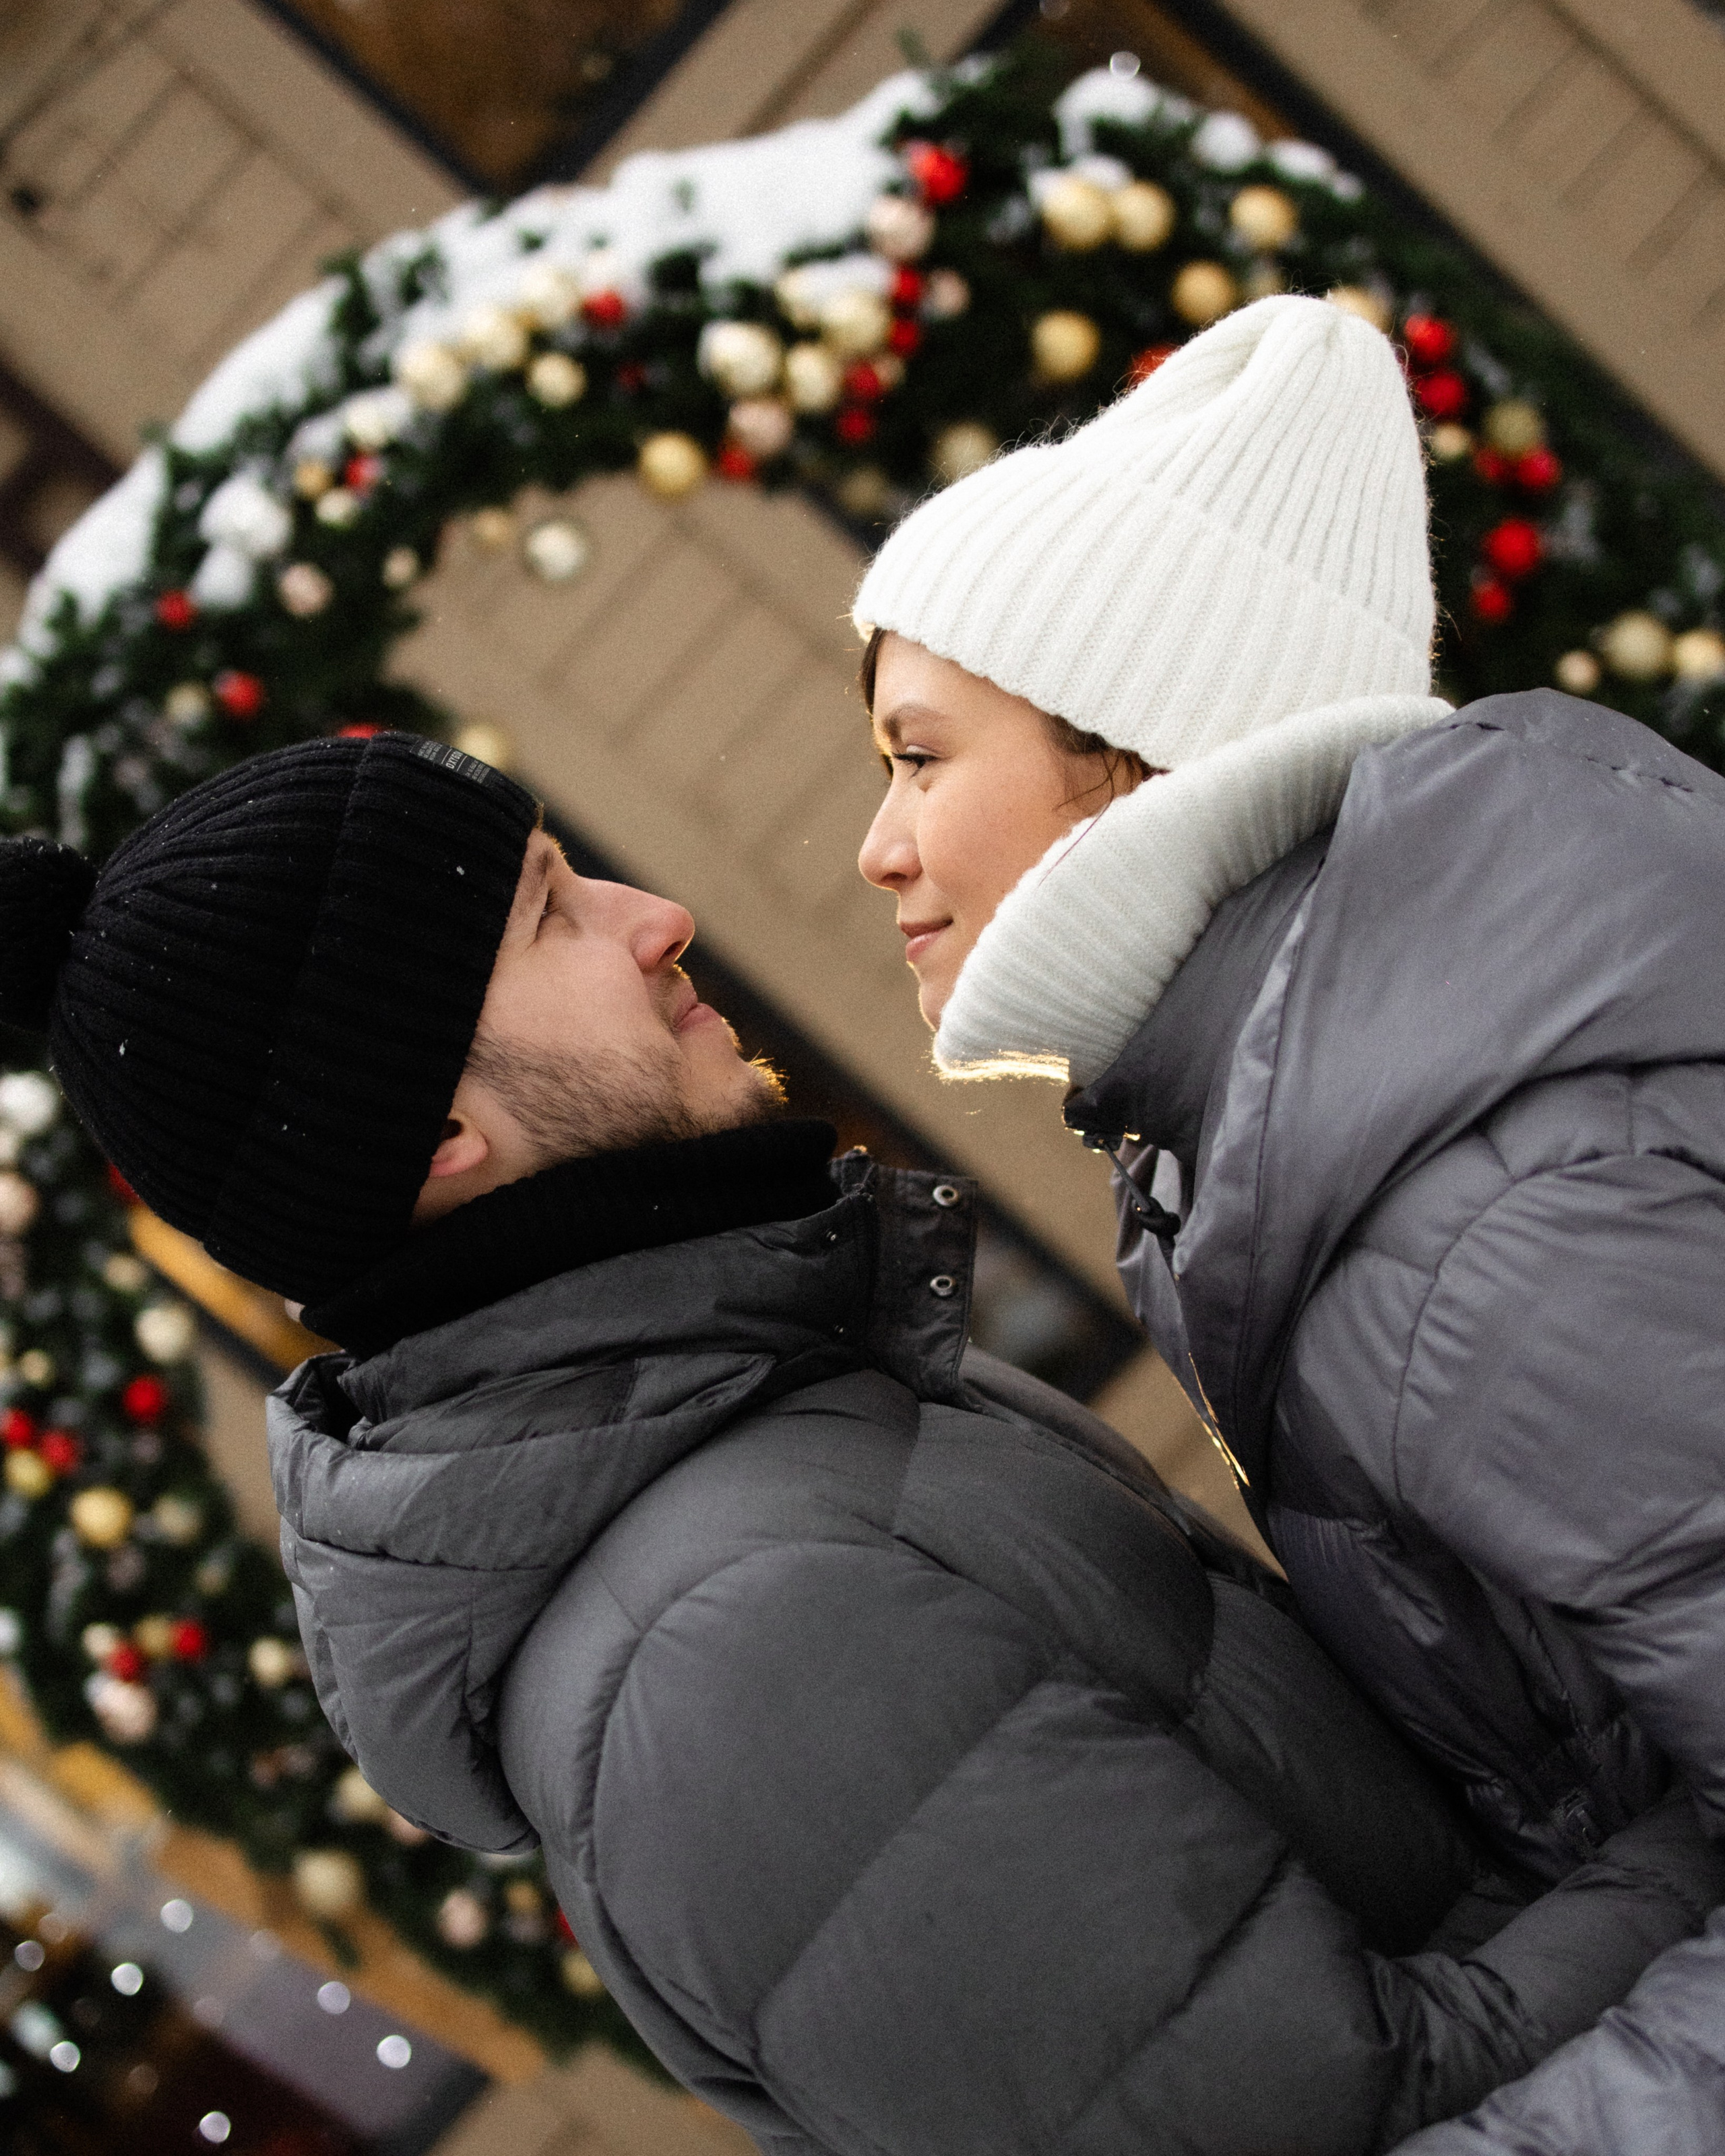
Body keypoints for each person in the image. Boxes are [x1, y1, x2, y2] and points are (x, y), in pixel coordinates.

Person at [0, 743, 1718, 2156]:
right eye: (549, 915)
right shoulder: (730, 1644)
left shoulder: (796, 1420)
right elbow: (1350, 2121)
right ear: (442, 1132)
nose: (658, 917)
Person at [854, 291, 1725, 2151]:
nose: (880, 841)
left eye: (921, 755)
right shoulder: (1324, 1097)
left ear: (1136, 753)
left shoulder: (1458, 1236)